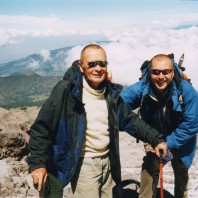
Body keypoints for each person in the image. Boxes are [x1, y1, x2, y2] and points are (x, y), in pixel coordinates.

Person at [27, 44, 167, 198]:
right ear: (81, 67)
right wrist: (38, 164)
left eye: (102, 63)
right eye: (92, 64)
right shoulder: (67, 90)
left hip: (108, 161)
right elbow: (41, 128)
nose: (98, 68)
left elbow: (130, 120)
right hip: (84, 164)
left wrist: (156, 139)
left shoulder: (109, 93)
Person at [121, 54, 198, 198]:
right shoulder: (143, 88)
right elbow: (118, 104)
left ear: (173, 72)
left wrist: (168, 143)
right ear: (149, 72)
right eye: (156, 72)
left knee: (181, 171)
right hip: (155, 138)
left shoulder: (187, 91)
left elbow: (192, 123)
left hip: (182, 141)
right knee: (149, 167)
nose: (161, 76)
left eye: (165, 72)